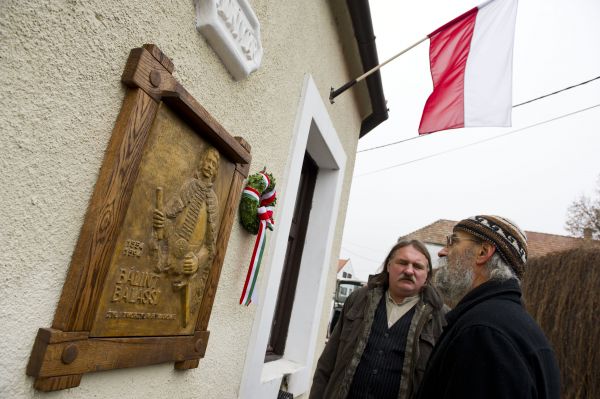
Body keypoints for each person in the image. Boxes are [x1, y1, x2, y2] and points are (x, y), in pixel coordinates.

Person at [416, 215, 561, 399]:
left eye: (453, 241)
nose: (442, 252)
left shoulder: (483, 332)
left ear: (483, 252)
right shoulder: (517, 325)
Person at [310, 239, 447, 399]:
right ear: (389, 266)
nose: (409, 271)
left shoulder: (440, 317)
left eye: (417, 266)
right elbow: (326, 365)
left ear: (427, 274)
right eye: (402, 263)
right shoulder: (359, 299)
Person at [152, 147, 220, 326]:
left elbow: (210, 245)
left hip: (189, 264)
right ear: (201, 163)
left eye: (213, 164)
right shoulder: (188, 186)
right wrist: (161, 220)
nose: (209, 166)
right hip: (170, 253)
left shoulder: (212, 200)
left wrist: (197, 261)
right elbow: (169, 214)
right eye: (207, 161)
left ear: (215, 171)